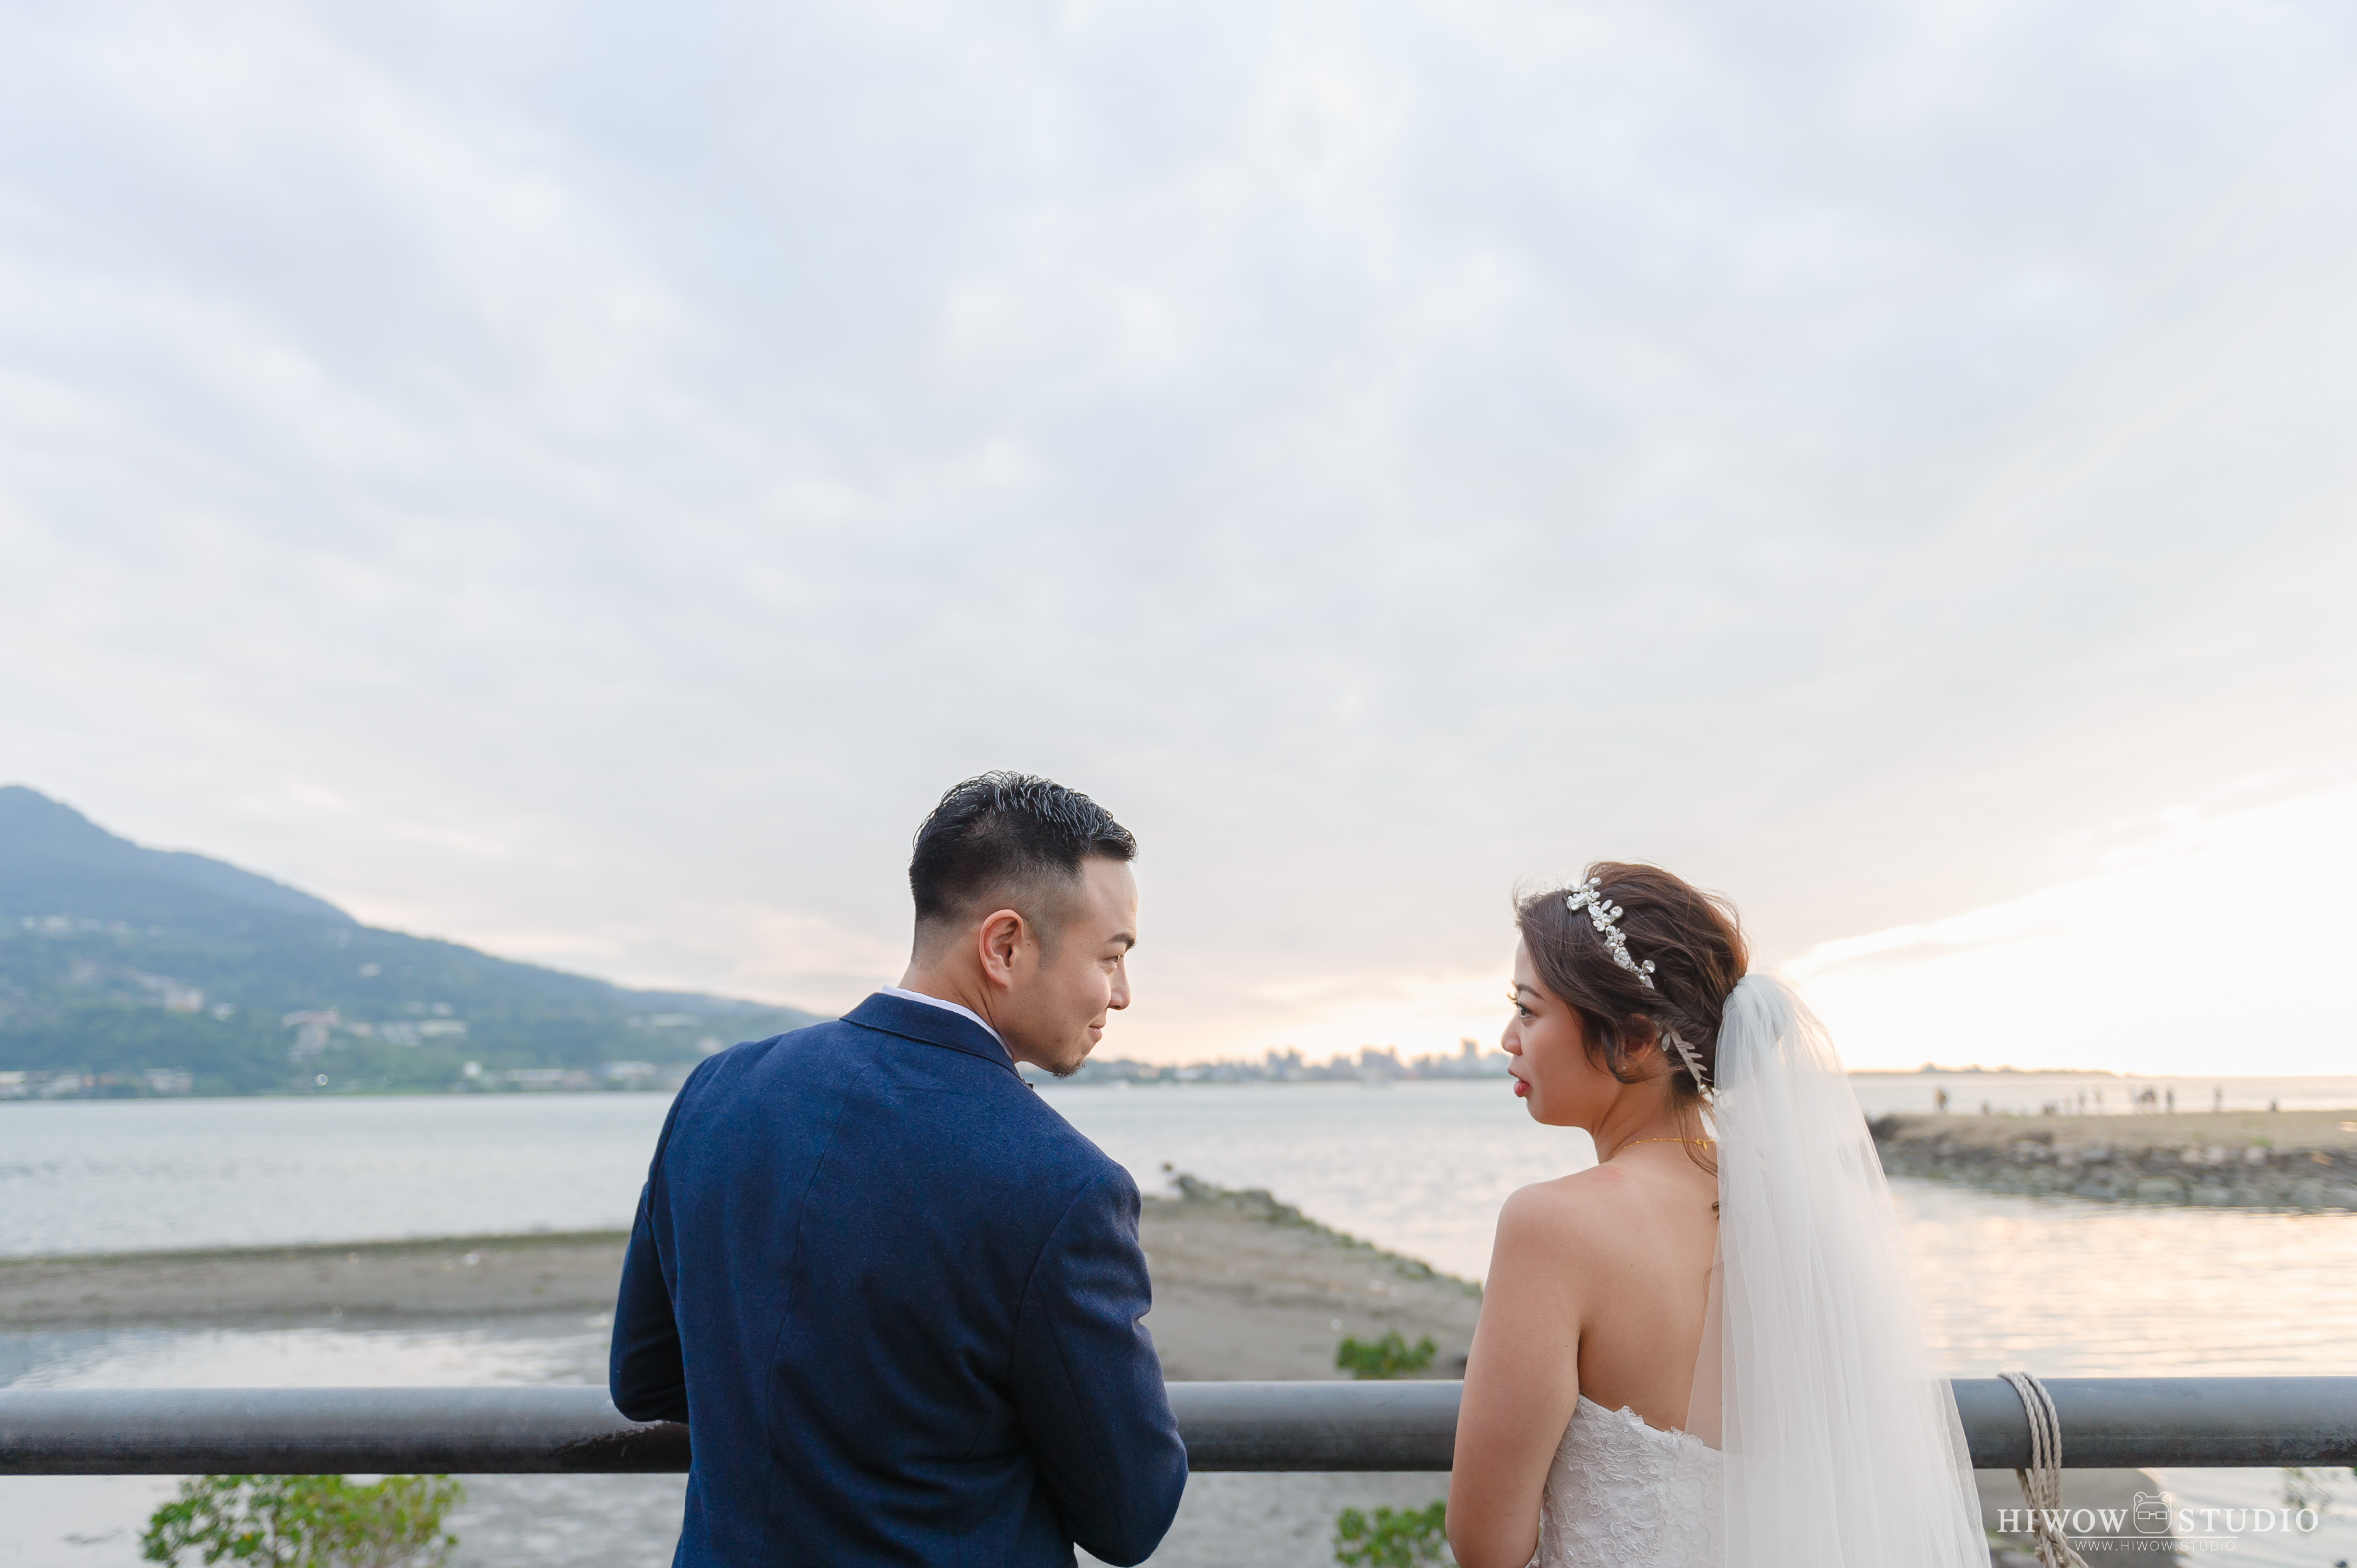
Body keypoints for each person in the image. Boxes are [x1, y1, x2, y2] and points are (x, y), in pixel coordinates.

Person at [609, 772, 1187, 1567]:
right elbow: (1131, 1513)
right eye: (1111, 956)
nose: (1121, 994)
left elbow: (645, 1380)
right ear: (1005, 945)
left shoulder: (720, 1089)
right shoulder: (1064, 1185)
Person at [1448, 863, 1985, 1568]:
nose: (1507, 1039)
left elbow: (1487, 1544)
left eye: (1528, 1010)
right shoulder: (1795, 1207)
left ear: (1635, 1038)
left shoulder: (1550, 1226)